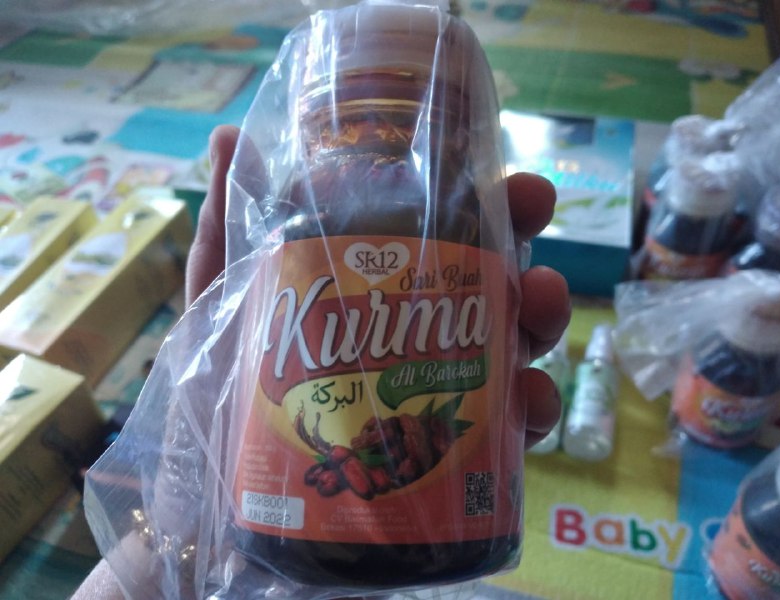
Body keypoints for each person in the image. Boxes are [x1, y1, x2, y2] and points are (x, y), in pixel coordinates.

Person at [71, 125, 571, 599]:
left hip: (334, 527)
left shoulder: (461, 220)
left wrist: (168, 558)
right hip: (280, 527)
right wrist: (179, 540)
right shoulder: (299, 225)